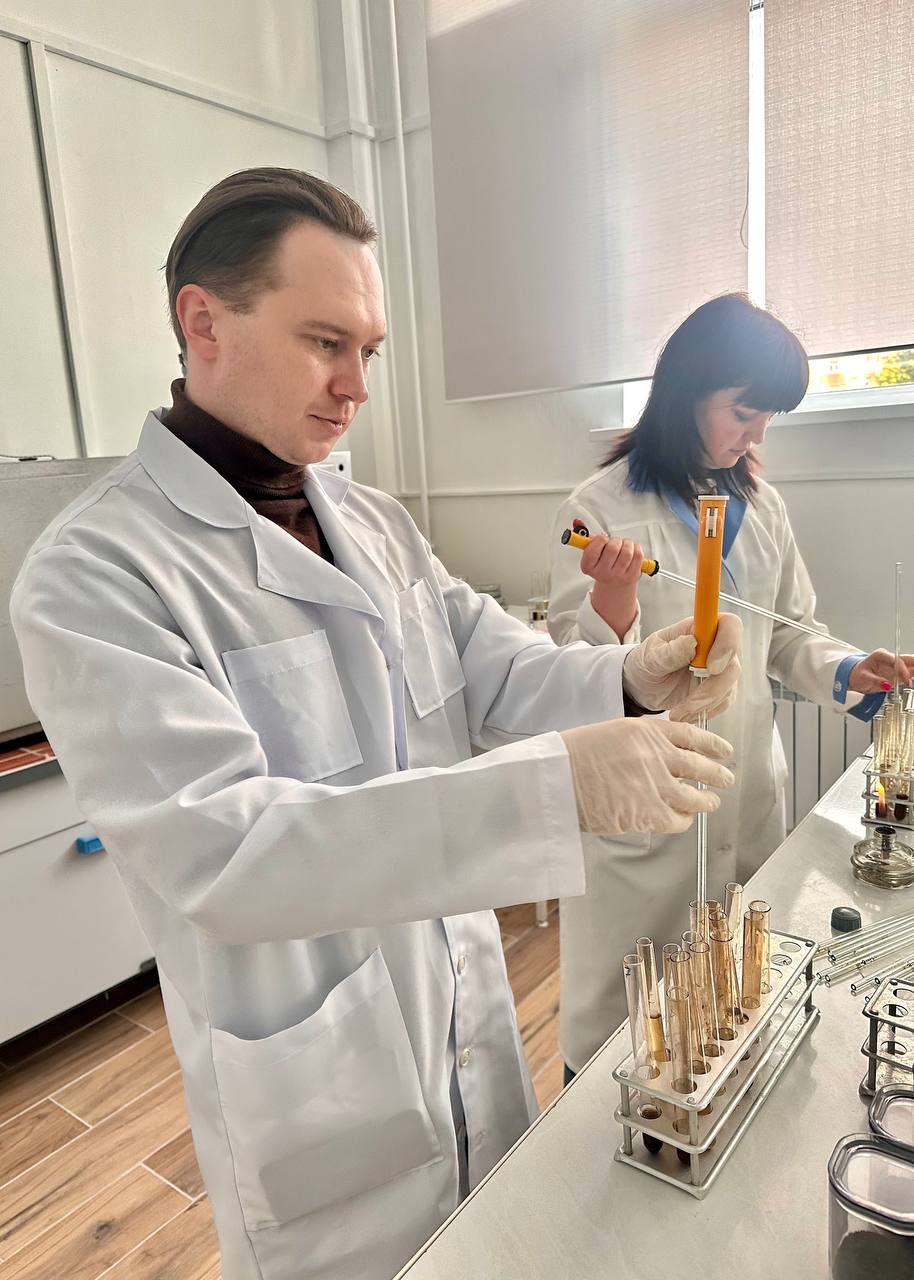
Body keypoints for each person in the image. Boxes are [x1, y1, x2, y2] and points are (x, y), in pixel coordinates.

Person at [11, 170, 741, 1280]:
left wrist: (631, 678)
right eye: (324, 343)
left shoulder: (376, 522)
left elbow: (491, 669)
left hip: (464, 1009)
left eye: (369, 350)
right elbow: (227, 853)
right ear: (202, 322)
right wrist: (554, 788)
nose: (356, 386)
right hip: (319, 1078)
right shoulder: (96, 574)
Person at [548, 292, 914, 1082]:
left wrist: (850, 668)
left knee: (730, 1018)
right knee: (625, 1043)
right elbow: (572, 677)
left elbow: (788, 633)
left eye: (768, 417)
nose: (757, 435)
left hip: (746, 797)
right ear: (688, 392)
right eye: (745, 412)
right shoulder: (600, 508)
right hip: (649, 814)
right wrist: (613, 601)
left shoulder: (762, 506)